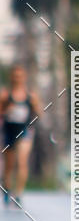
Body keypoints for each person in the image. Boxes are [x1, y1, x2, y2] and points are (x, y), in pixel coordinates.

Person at [1, 64, 42, 208]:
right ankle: (6, 188)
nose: (17, 79)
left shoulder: (31, 96)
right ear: (11, 77)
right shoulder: (5, 95)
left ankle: (18, 193)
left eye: (20, 76)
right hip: (9, 130)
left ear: (24, 78)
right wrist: (6, 111)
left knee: (22, 161)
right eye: (15, 76)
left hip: (25, 130)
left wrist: (35, 110)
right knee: (9, 164)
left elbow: (39, 114)